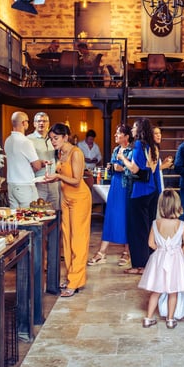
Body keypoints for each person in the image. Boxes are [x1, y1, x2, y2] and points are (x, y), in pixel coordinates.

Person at [43, 123, 92, 298]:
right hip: (66, 199)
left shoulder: (76, 153)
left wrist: (57, 175)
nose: (53, 141)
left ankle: (75, 281)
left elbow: (77, 180)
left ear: (65, 137)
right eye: (51, 139)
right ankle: (71, 276)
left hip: (80, 199)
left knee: (78, 240)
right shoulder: (60, 153)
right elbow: (63, 176)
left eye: (55, 138)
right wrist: (52, 178)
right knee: (67, 239)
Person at [138, 189, 184, 329]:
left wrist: (162, 250)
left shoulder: (155, 223)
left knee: (156, 290)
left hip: (159, 259)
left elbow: (150, 243)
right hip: (175, 260)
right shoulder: (181, 225)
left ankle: (148, 318)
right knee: (173, 291)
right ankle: (170, 319)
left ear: (160, 206)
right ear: (177, 205)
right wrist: (176, 252)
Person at [88, 123, 131, 267]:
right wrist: (111, 168)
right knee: (110, 217)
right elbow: (114, 167)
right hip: (115, 186)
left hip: (126, 187)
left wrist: (121, 168)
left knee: (126, 218)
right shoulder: (116, 149)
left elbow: (135, 170)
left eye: (118, 133)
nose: (115, 135)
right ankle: (102, 252)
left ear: (126, 136)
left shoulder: (132, 150)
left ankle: (127, 251)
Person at [119, 118, 158, 275]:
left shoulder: (138, 145)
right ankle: (149, 263)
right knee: (148, 228)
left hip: (139, 191)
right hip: (152, 190)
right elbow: (153, 169)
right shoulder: (152, 146)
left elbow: (134, 169)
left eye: (135, 127)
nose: (132, 129)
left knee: (137, 230)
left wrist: (123, 159)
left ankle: (139, 266)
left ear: (140, 129)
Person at [4, 112, 45, 208]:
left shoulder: (8, 140)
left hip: (11, 184)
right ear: (23, 123)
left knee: (15, 215)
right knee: (32, 213)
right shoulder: (25, 142)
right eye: (27, 121)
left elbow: (18, 161)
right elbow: (37, 166)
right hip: (25, 185)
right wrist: (41, 163)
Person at [28, 112, 59, 205]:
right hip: (39, 182)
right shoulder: (28, 140)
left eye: (44, 121)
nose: (41, 123)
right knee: (39, 209)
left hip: (53, 181)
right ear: (34, 124)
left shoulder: (53, 139)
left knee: (55, 209)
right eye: (39, 121)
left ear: (48, 123)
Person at [152, 127, 174, 192]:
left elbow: (155, 165)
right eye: (156, 133)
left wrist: (164, 162)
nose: (158, 135)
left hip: (157, 177)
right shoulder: (151, 149)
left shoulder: (155, 147)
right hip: (153, 179)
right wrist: (164, 166)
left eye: (159, 133)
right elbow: (151, 168)